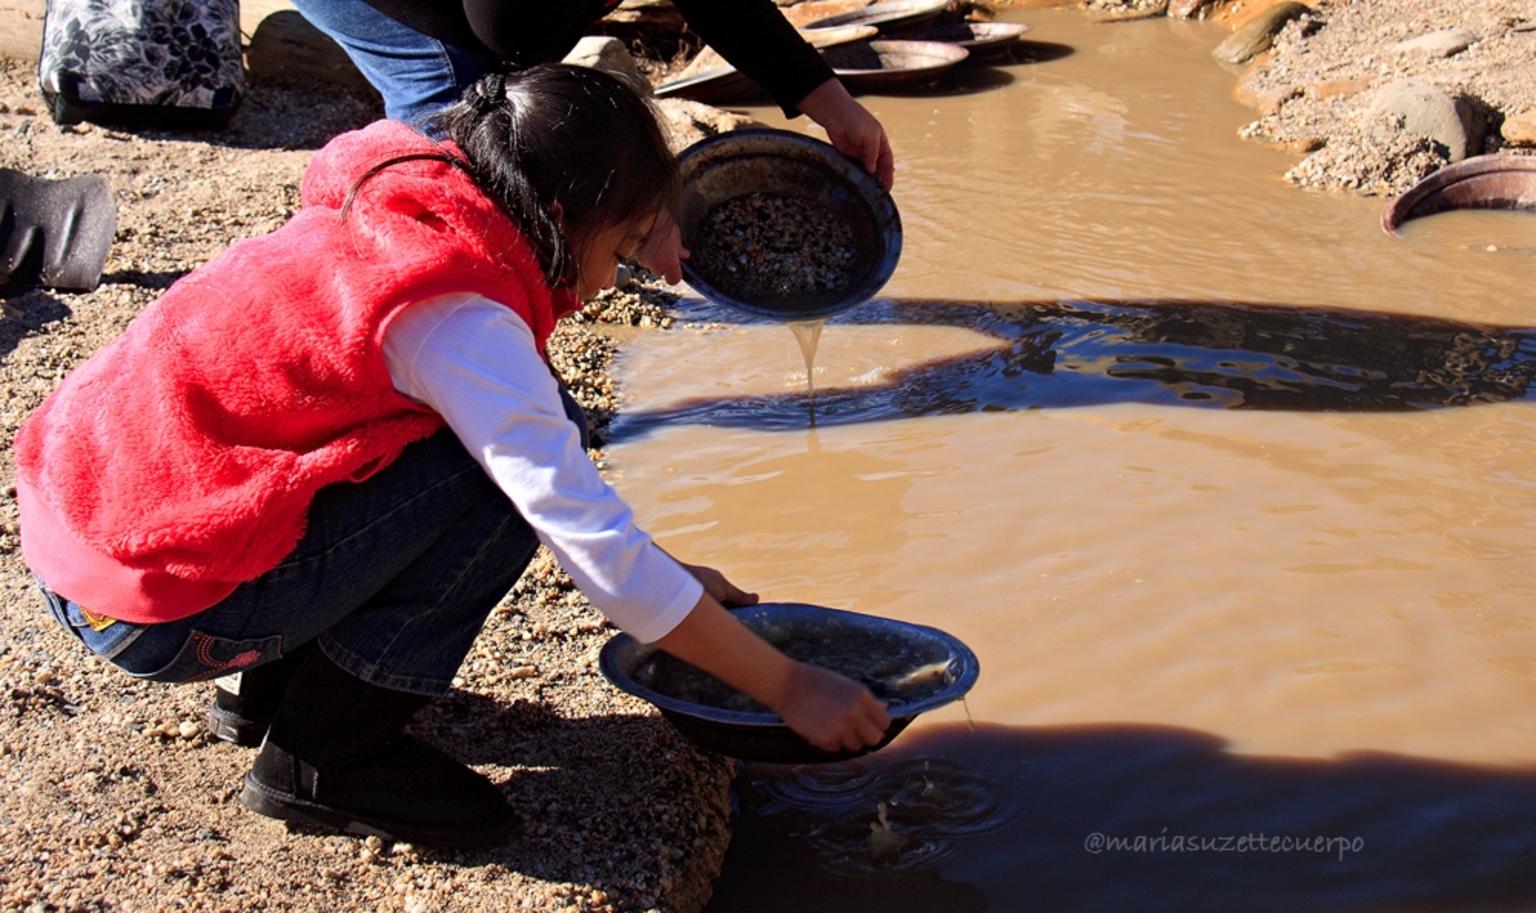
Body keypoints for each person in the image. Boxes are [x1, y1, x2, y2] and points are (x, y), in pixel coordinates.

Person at [14, 64, 890, 848]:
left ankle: (267, 693)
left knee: (469, 437)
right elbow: (591, 547)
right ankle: (325, 757)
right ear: (555, 217)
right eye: (621, 249)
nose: (618, 280)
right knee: (491, 479)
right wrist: (788, 686)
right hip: (153, 607)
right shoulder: (460, 317)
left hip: (86, 522)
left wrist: (680, 575)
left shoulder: (415, 201)